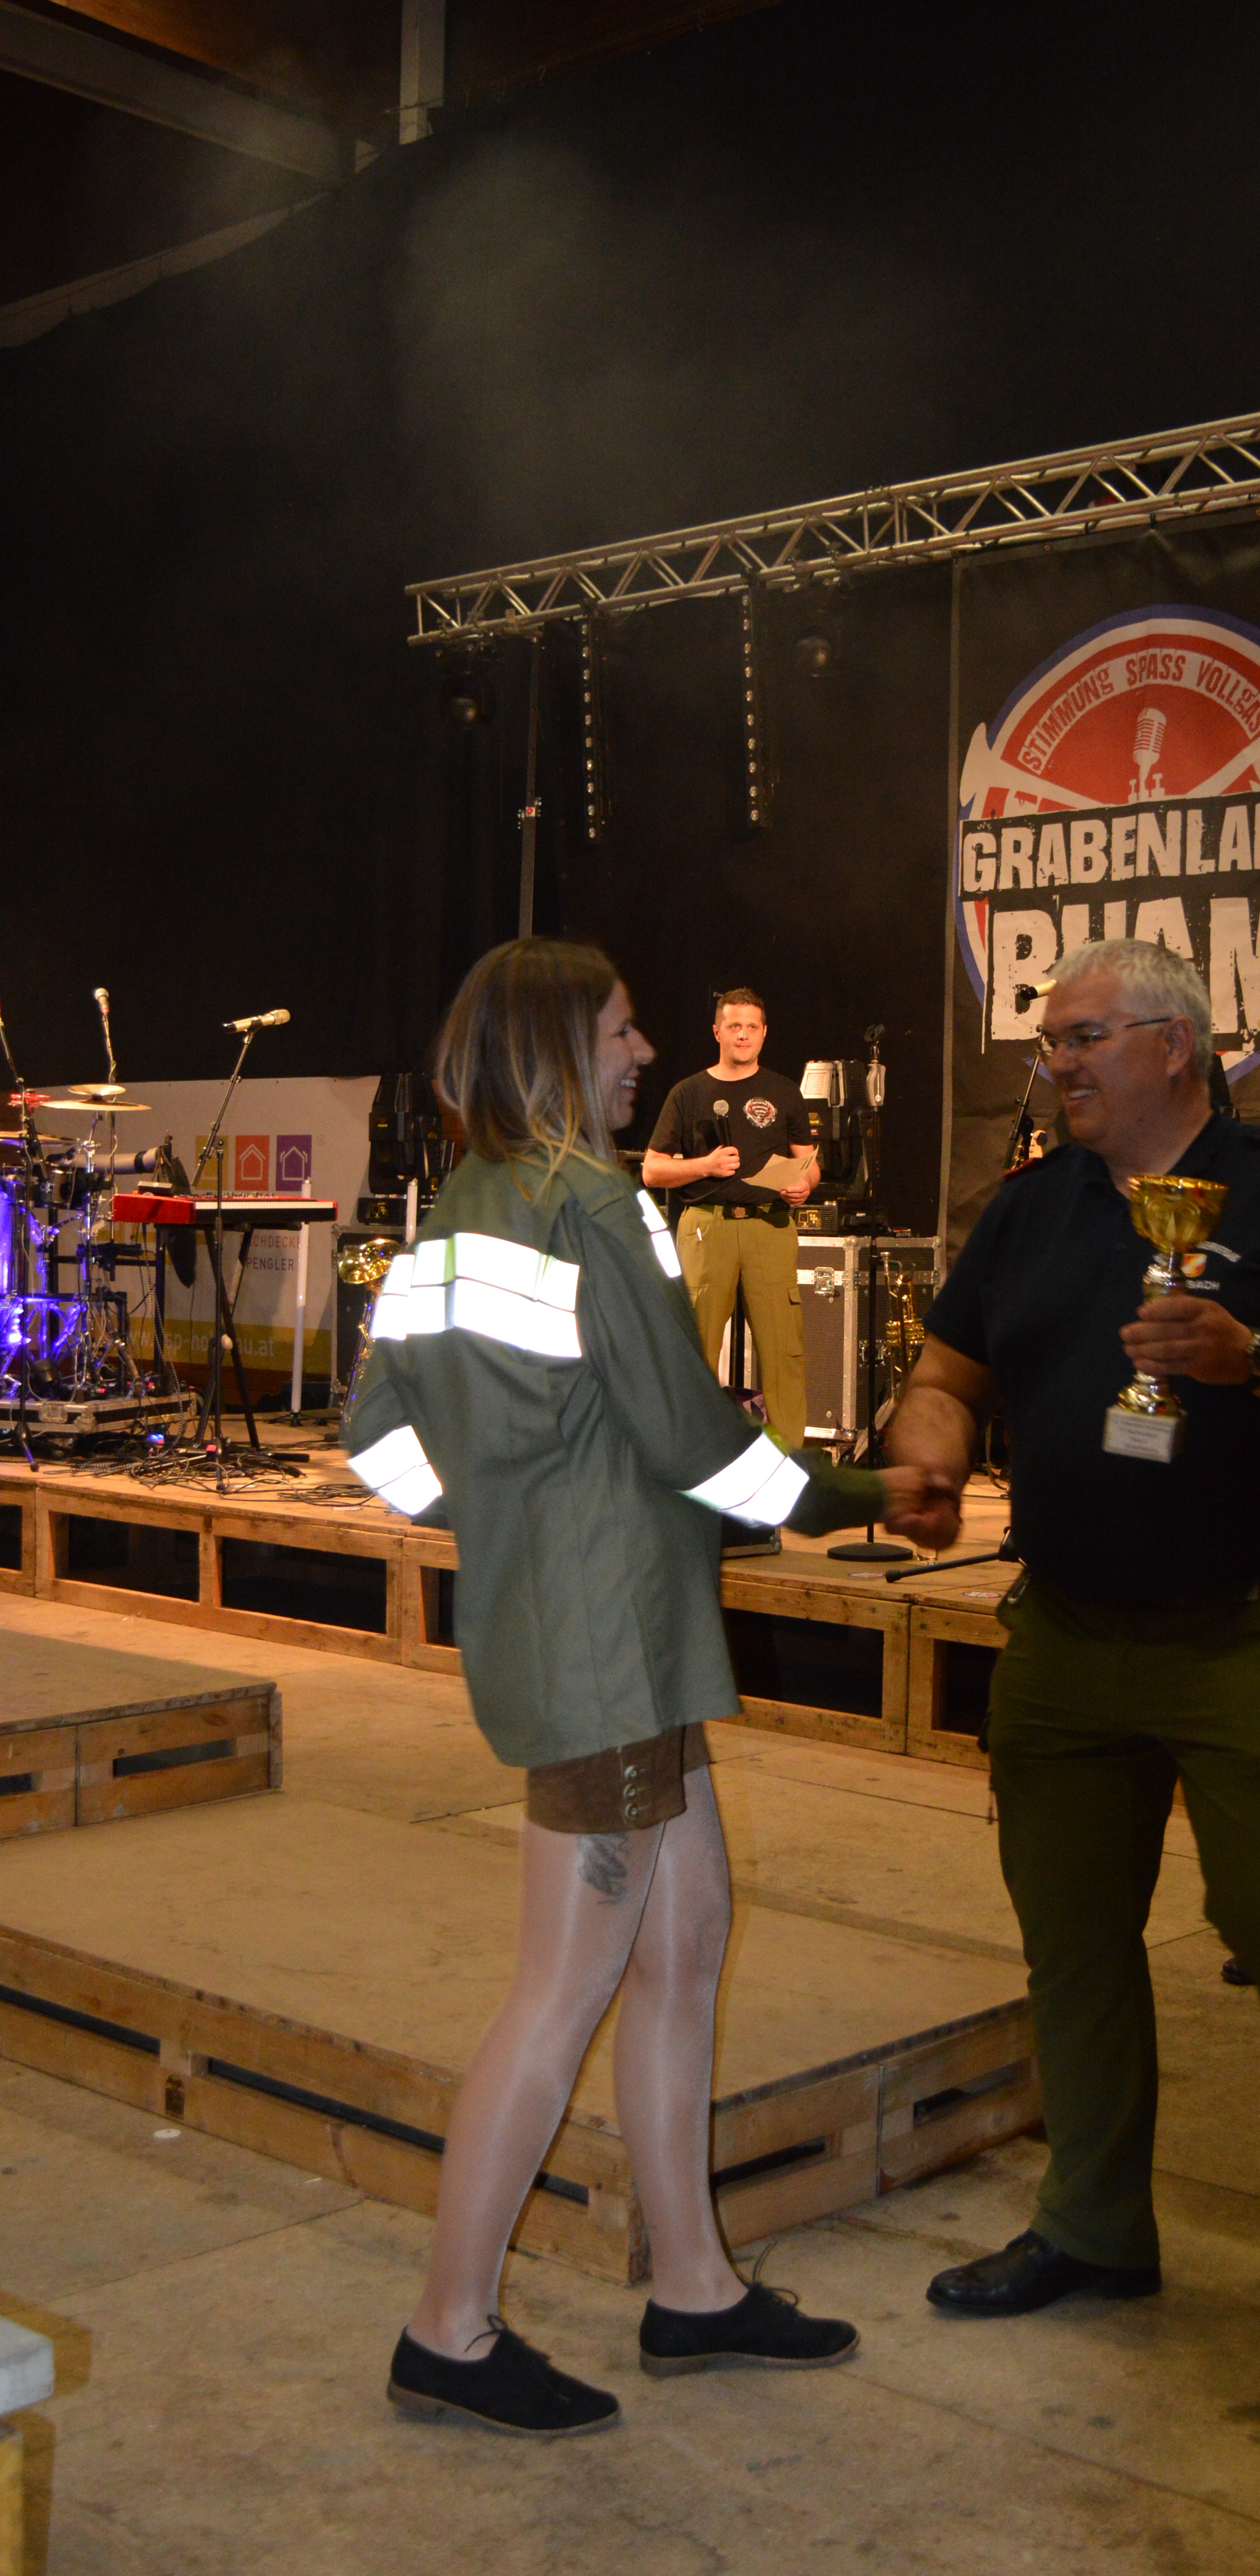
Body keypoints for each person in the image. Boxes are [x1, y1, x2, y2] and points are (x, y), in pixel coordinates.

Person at [343, 938, 936, 2434]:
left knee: (689, 1937)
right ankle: (447, 2332)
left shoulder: (453, 1216)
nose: (642, 1049)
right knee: (565, 1991)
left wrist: (503, 1521)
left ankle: (696, 2288)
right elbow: (695, 1444)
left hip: (593, 1630)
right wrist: (869, 1495)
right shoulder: (599, 1205)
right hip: (612, 1644)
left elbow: (375, 1437)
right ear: (559, 1043)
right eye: (618, 1029)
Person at [886, 937, 1260, 2361]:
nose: (1057, 1064)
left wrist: (1252, 1355)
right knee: (1072, 1940)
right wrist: (931, 1448)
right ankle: (1092, 2226)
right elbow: (948, 1367)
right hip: (1067, 1629)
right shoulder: (1031, 1203)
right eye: (1049, 1044)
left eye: (1082, 1038)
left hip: (1247, 1629)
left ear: (1173, 1044)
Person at [642, 989, 816, 1447]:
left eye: (752, 1027)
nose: (743, 1035)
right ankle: (691, 1457)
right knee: (694, 1347)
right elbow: (652, 1170)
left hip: (769, 1227)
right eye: (734, 1026)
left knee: (783, 1350)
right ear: (717, 1032)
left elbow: (809, 1162)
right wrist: (705, 1166)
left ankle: (789, 1462)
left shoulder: (784, 1091)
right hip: (707, 1226)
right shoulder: (689, 1093)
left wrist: (804, 1185)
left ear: (764, 1033)